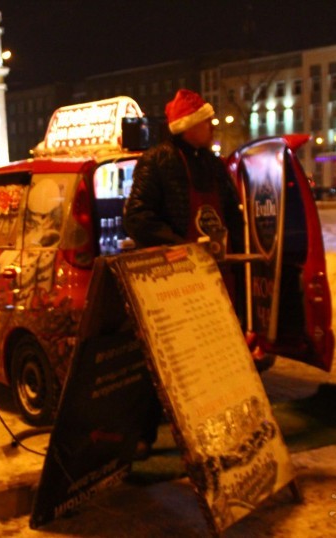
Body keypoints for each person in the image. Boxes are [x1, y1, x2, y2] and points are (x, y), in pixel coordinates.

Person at [123, 89, 245, 459]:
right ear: (188, 127)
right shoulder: (157, 161)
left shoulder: (213, 164)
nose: (211, 126)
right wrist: (180, 246)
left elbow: (232, 214)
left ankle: (217, 428)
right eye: (206, 121)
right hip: (173, 278)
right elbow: (137, 218)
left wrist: (236, 246)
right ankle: (143, 436)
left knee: (215, 357)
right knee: (163, 361)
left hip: (216, 276)